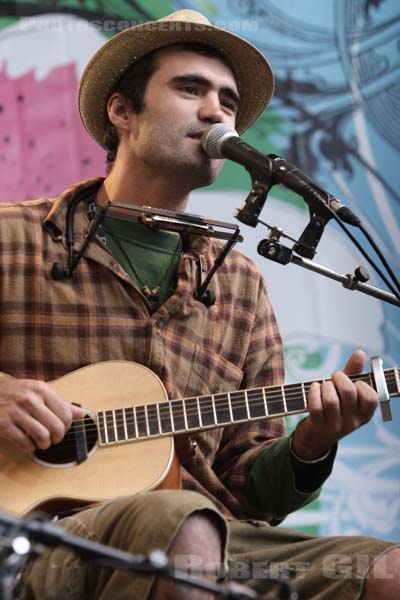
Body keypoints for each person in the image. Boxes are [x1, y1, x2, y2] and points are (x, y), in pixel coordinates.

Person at [0, 9, 398, 600]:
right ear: (122, 111)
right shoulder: (13, 238)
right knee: (181, 524)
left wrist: (312, 445)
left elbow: (248, 489)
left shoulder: (239, 283)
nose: (216, 111)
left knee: (388, 571)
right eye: (191, 88)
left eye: (229, 101)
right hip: (42, 541)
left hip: (218, 543)